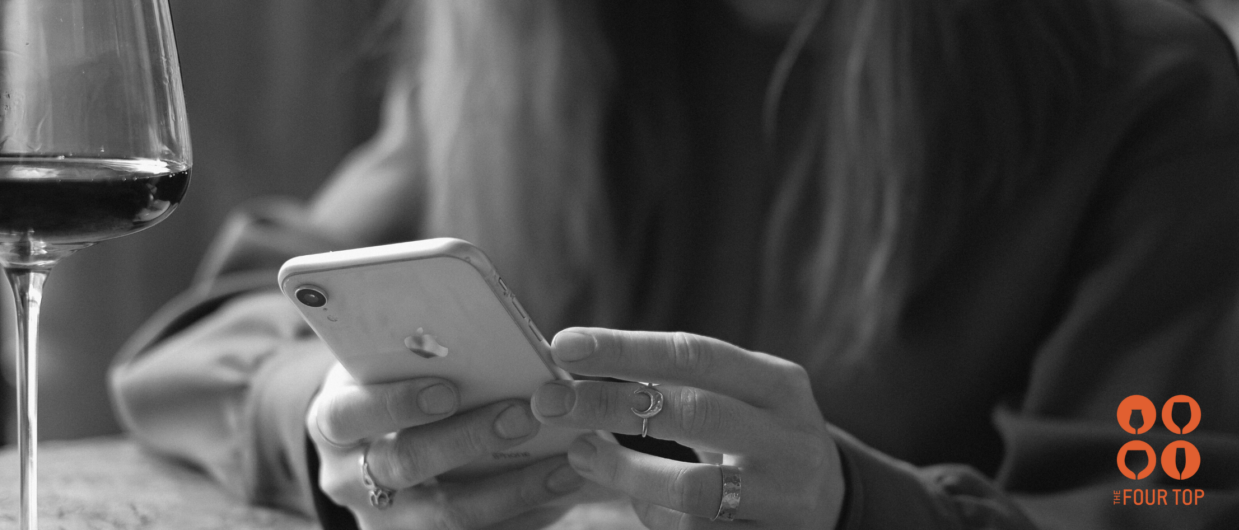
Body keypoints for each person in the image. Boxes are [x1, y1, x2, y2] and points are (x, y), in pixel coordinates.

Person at [110, 0, 1239, 528]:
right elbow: (213, 337)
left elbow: (1167, 493)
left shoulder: (1141, 82)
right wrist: (348, 424)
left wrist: (856, 508)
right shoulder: (535, 44)